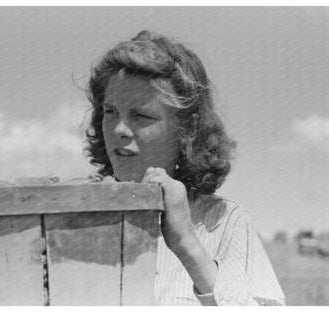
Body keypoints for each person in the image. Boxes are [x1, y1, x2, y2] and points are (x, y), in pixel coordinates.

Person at [84, 30, 285, 306]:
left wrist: (187, 244)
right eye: (110, 112)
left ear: (186, 129)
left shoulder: (225, 223)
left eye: (141, 115)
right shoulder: (77, 217)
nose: (119, 129)